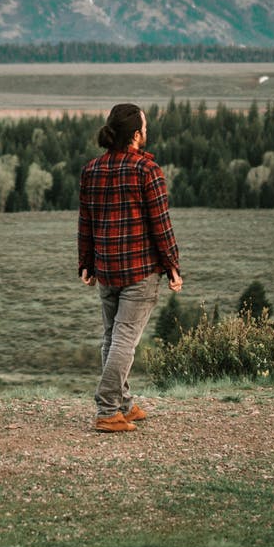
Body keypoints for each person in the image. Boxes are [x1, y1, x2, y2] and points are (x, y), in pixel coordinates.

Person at [77, 102, 182, 434]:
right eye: (145, 128)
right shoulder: (146, 170)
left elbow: (86, 222)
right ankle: (107, 409)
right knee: (124, 340)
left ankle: (122, 403)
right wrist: (173, 267)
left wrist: (86, 263)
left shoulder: (91, 170)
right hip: (140, 271)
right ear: (136, 135)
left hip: (107, 268)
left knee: (111, 337)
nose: (147, 132)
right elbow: (160, 225)